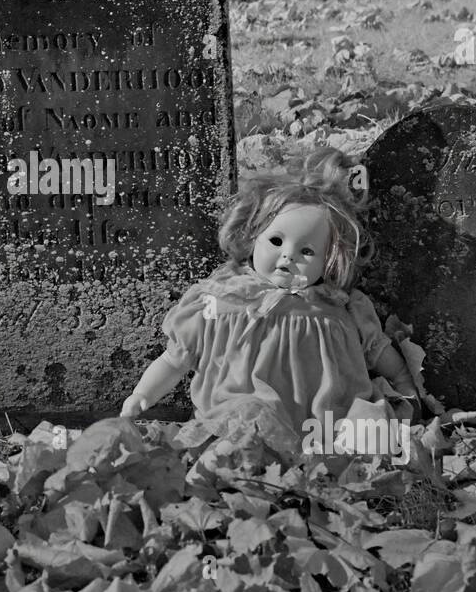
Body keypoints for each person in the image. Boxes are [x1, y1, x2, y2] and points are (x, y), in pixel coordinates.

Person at [120, 147, 423, 446]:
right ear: (253, 238)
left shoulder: (342, 307)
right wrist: (142, 395)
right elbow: (175, 360)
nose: (288, 255)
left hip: (329, 429)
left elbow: (381, 354)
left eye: (307, 251)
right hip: (247, 421)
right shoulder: (221, 300)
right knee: (246, 420)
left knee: (369, 429)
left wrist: (406, 387)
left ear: (330, 259)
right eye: (276, 241)